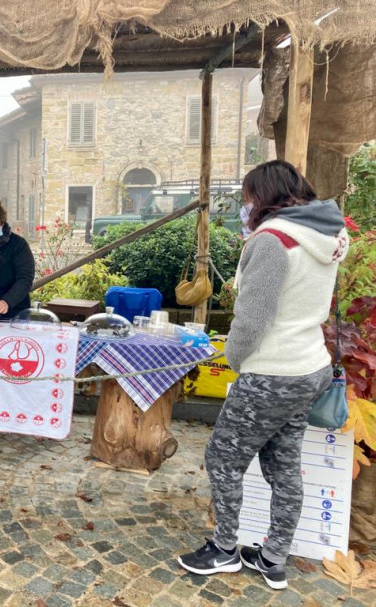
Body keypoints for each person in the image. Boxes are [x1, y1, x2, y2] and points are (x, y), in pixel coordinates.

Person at [178, 160, 349, 590]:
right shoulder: (325, 235)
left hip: (272, 370)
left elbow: (253, 319)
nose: (246, 205)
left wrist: (234, 360)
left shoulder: (274, 240)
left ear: (263, 196)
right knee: (284, 464)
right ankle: (273, 558)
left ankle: (224, 549)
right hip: (310, 365)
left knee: (223, 458)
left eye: (249, 197)